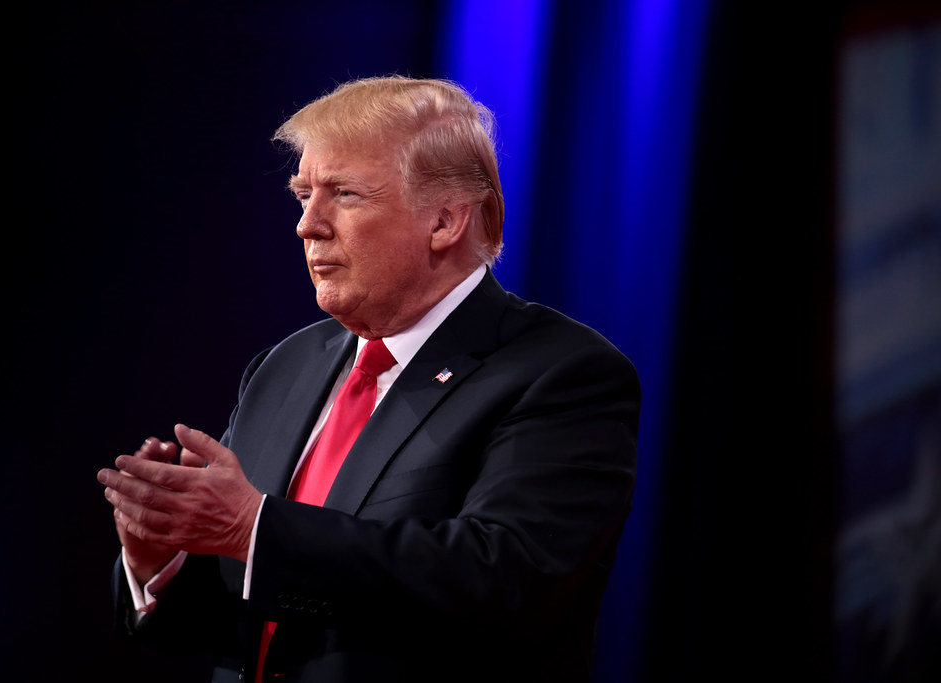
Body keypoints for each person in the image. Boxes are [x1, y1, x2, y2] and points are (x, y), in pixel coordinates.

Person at [97, 75, 640, 683]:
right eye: (303, 195)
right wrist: (161, 560)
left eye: (345, 195)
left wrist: (255, 530)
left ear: (445, 221)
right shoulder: (286, 366)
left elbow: (506, 584)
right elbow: (234, 608)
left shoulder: (560, 372)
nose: (308, 225)